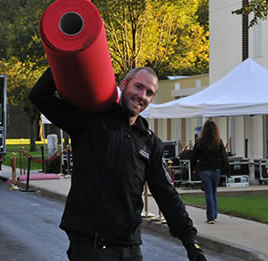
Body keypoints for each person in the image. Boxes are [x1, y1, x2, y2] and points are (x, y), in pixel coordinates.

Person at [30, 66, 206, 261]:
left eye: (149, 93)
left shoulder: (149, 143)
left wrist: (190, 240)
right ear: (123, 85)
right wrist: (63, 59)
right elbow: (40, 96)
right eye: (138, 87)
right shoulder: (90, 121)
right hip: (91, 244)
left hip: (130, 248)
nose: (142, 95)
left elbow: (167, 194)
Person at [190, 120, 230, 224]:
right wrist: (227, 170)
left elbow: (194, 157)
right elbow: (224, 157)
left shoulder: (200, 142)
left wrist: (192, 168)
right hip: (216, 170)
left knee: (208, 193)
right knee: (213, 192)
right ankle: (214, 215)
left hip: (204, 170)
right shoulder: (218, 142)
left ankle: (211, 217)